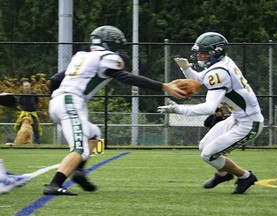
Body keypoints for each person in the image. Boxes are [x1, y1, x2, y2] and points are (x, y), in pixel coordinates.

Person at [43, 25, 187, 196]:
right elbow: (127, 77)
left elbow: (55, 79)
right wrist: (163, 86)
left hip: (61, 101)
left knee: (93, 133)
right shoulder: (107, 57)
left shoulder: (82, 57)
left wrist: (54, 99)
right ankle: (54, 184)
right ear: (110, 42)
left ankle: (78, 172)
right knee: (79, 149)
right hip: (71, 102)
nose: (119, 49)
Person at [157, 32, 264, 194]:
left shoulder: (219, 73)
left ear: (216, 52)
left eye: (204, 53)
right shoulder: (223, 63)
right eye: (199, 52)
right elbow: (201, 79)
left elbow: (209, 107)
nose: (200, 56)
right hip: (238, 117)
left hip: (250, 123)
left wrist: (179, 109)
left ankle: (245, 177)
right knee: (204, 146)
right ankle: (224, 173)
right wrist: (186, 69)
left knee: (208, 155)